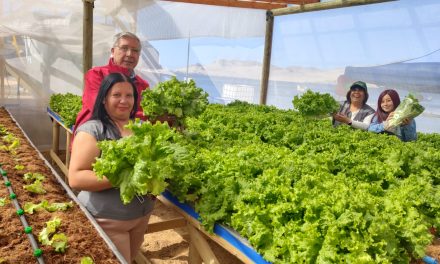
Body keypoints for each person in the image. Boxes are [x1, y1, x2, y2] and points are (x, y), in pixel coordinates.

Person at [68, 73, 155, 263]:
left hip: (141, 215)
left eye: (129, 95)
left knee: (130, 258)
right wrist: (125, 177)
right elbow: (76, 178)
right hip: (107, 219)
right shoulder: (92, 130)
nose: (124, 101)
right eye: (116, 95)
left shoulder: (141, 127)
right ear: (104, 99)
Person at [74, 32, 149, 131]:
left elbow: (145, 113)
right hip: (96, 133)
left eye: (135, 50)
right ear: (113, 51)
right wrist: (146, 115)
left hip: (129, 135)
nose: (130, 54)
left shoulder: (143, 84)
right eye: (124, 48)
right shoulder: (97, 74)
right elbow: (99, 107)